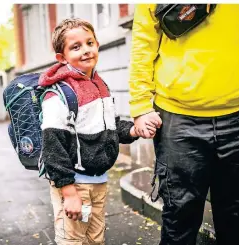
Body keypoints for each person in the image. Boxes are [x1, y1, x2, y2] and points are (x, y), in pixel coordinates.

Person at [129, 4, 239, 245]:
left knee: (237, 217)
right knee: (179, 219)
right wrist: (141, 104)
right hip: (178, 118)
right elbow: (144, 39)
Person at [38, 18, 144, 245]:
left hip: (99, 182)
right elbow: (52, 146)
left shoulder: (98, 83)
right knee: (73, 241)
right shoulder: (58, 94)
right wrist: (68, 191)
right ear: (62, 57)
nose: (86, 50)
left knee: (95, 239)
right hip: (75, 184)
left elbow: (109, 126)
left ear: (97, 44)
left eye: (89, 43)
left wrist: (134, 130)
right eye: (76, 47)